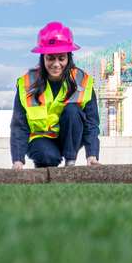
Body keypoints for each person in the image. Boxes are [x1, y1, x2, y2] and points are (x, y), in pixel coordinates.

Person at [11, 22, 100, 169]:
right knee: (47, 156)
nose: (56, 64)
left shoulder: (82, 81)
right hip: (41, 139)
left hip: (71, 139)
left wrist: (92, 155)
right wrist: (18, 160)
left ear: (68, 58)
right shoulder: (26, 83)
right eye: (51, 58)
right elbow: (19, 126)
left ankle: (70, 163)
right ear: (43, 58)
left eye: (61, 58)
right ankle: (45, 163)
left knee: (73, 110)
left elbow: (91, 123)